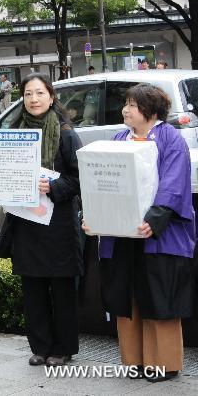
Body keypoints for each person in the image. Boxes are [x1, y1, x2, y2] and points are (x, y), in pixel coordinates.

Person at [83, 84, 195, 382]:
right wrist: (94, 216)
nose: (125, 110)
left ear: (151, 109)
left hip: (159, 235)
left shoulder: (171, 139)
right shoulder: (119, 138)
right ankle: (133, 361)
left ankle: (163, 363)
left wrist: (154, 218)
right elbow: (102, 181)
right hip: (121, 236)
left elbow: (173, 184)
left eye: (132, 105)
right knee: (127, 297)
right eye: (126, 105)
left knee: (158, 298)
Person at [0, 73, 83, 367]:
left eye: (40, 93)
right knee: (33, 289)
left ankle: (63, 347)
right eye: (28, 94)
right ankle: (40, 346)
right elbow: (8, 170)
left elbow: (80, 179)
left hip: (58, 225)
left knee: (62, 289)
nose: (34, 99)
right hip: (26, 223)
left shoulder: (66, 134)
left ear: (51, 97)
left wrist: (53, 187)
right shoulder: (13, 131)